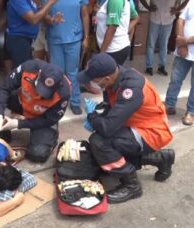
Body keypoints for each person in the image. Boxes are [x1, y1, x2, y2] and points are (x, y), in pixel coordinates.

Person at [77, 53, 174, 203]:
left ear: (106, 78)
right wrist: (99, 115)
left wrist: (92, 117)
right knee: (107, 145)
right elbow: (111, 109)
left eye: (93, 80)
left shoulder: (131, 88)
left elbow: (108, 128)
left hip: (151, 131)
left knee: (99, 142)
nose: (90, 83)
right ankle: (161, 158)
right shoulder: (115, 80)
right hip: (135, 125)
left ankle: (132, 186)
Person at [0, 59, 71, 163]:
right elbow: (5, 88)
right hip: (22, 103)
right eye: (40, 88)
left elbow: (49, 120)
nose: (40, 95)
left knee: (38, 154)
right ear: (39, 74)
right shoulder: (29, 68)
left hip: (42, 117)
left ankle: (52, 136)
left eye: (47, 93)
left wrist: (18, 124)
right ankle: (3, 132)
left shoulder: (64, 92)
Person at [46, 0, 90, 115]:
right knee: (56, 73)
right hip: (55, 39)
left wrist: (86, 37)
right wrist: (51, 20)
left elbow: (85, 14)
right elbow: (42, 14)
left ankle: (75, 102)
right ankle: (57, 101)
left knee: (73, 72)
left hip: (74, 39)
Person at [140, 0, 189, 76]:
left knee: (164, 45)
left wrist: (177, 9)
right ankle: (149, 67)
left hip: (168, 19)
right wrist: (147, 7)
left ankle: (161, 67)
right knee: (151, 44)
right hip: (154, 18)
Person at [165, 0, 194, 126]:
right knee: (175, 79)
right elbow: (180, 21)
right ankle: (169, 105)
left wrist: (184, 41)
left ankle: (191, 112)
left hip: (185, 44)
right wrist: (181, 45)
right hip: (183, 52)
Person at [5, 0, 59, 68]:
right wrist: (50, 3)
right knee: (24, 70)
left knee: (29, 69)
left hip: (27, 38)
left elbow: (40, 13)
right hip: (19, 39)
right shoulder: (18, 1)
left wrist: (52, 20)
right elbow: (33, 20)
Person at [95, 0, 139, 65]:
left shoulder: (115, 1)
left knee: (108, 74)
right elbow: (136, 17)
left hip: (113, 49)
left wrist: (101, 53)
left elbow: (112, 28)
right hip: (112, 48)